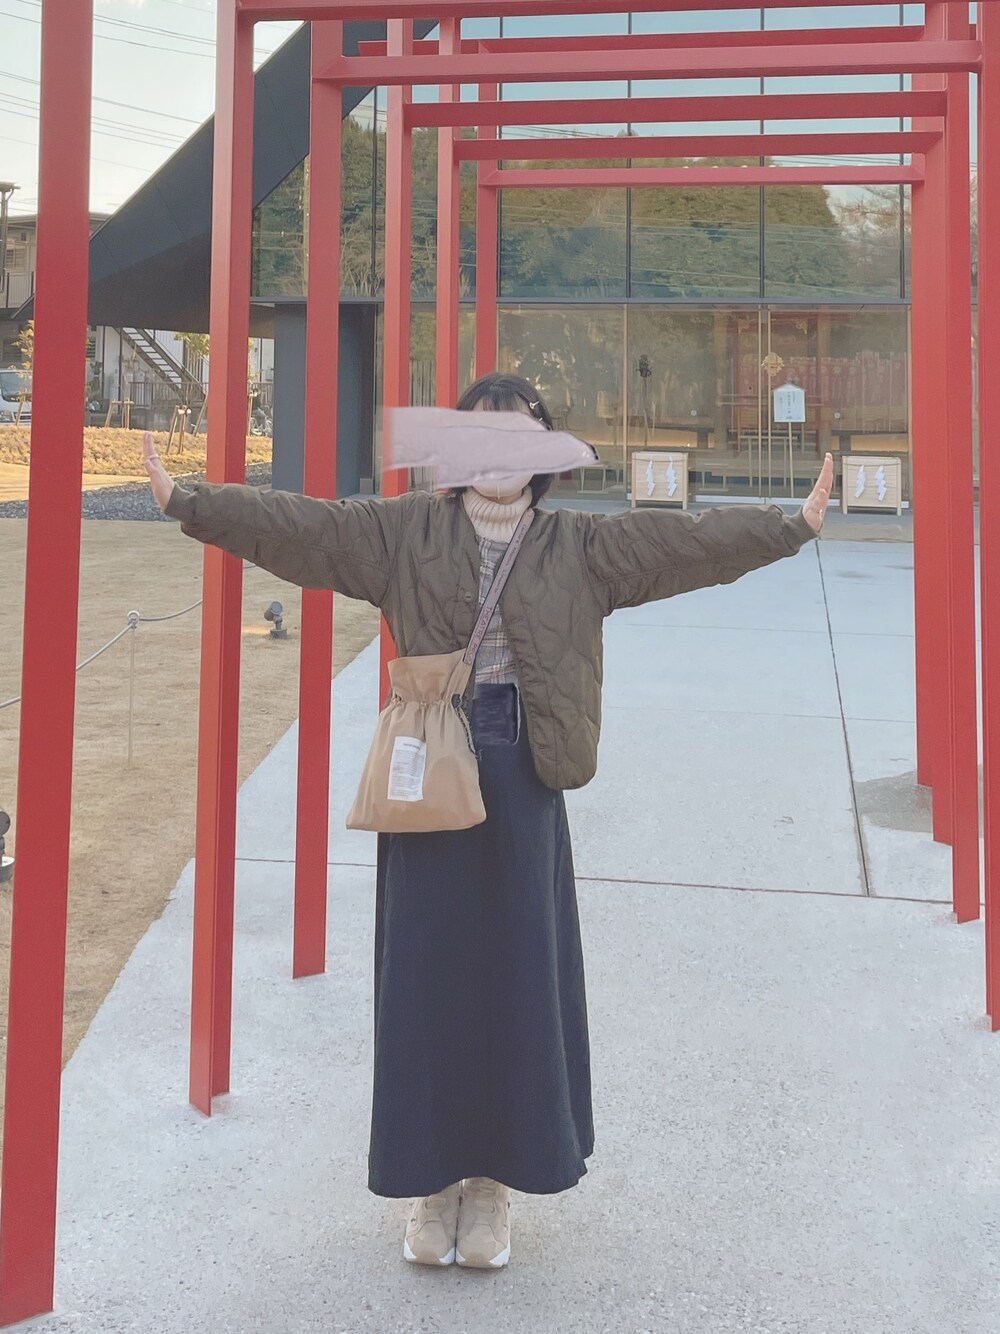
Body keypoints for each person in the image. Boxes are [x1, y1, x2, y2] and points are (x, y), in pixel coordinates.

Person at [142, 372, 832, 1272]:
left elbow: (686, 542)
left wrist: (790, 525)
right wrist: (189, 501)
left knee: (517, 978)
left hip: (526, 772)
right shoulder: (403, 532)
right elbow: (302, 527)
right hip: (430, 769)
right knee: (425, 976)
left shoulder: (579, 546)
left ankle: (495, 1184)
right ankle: (431, 1185)